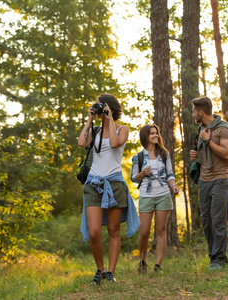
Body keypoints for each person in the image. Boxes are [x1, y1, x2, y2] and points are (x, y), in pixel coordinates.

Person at [78, 93, 140, 285]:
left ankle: (111, 272)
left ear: (110, 107)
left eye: (100, 106)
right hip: (94, 183)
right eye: (96, 106)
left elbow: (114, 143)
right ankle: (100, 269)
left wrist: (109, 119)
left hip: (114, 184)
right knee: (94, 231)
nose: (97, 109)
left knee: (114, 230)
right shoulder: (95, 131)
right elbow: (81, 143)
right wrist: (89, 120)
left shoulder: (122, 129)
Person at [189, 96, 228, 270]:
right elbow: (205, 153)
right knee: (207, 221)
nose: (193, 114)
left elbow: (227, 154)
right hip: (204, 180)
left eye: (194, 111)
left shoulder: (223, 129)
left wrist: (208, 142)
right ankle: (213, 257)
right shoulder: (202, 129)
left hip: (221, 180)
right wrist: (197, 155)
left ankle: (219, 259)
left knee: (218, 220)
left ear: (201, 112)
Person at [131, 124, 179, 274]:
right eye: (152, 133)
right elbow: (134, 178)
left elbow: (170, 175)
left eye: (156, 133)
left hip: (163, 193)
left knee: (161, 230)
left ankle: (158, 265)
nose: (155, 135)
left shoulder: (164, 154)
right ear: (145, 136)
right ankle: (142, 261)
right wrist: (143, 173)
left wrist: (173, 186)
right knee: (144, 231)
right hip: (146, 195)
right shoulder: (138, 157)